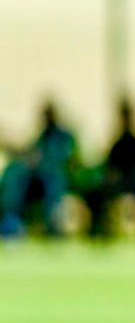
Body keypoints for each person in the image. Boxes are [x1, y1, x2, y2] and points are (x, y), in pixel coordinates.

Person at [0, 100, 80, 237]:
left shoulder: (63, 137)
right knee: (14, 173)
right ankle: (12, 220)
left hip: (57, 181)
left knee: (53, 181)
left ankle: (53, 224)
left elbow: (66, 159)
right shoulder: (42, 136)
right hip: (38, 180)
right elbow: (30, 153)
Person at [83, 97, 135, 239]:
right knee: (95, 192)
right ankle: (98, 229)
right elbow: (109, 169)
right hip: (119, 185)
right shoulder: (117, 145)